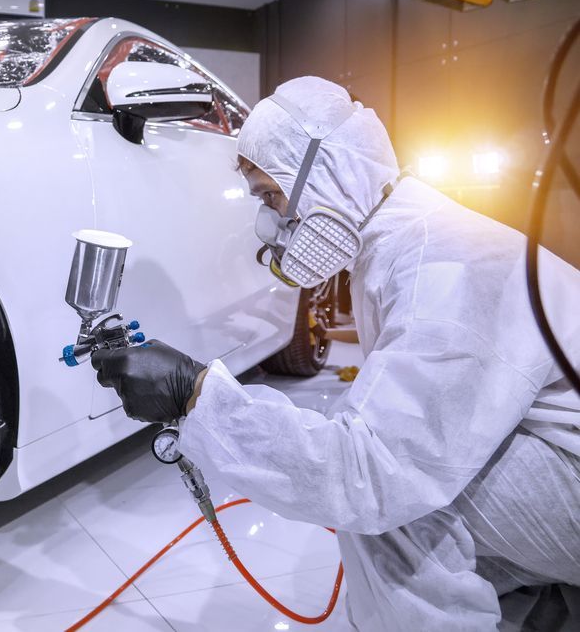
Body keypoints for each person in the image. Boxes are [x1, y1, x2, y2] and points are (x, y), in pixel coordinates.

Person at [92, 76, 580, 631]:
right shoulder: (404, 241)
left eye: (271, 196)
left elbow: (373, 475)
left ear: (327, 172)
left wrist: (197, 393)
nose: (269, 223)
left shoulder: (439, 271)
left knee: (393, 505)